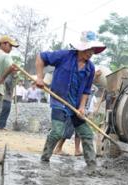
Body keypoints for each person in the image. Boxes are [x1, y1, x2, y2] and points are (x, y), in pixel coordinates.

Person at [35, 30, 106, 167]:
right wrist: (39, 77)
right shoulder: (64, 56)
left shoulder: (90, 68)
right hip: (59, 101)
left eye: (93, 49)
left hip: (75, 106)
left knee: (87, 134)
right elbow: (40, 57)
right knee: (57, 132)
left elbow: (86, 90)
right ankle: (44, 160)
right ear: (81, 47)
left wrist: (81, 107)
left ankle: (92, 166)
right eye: (89, 49)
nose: (91, 52)